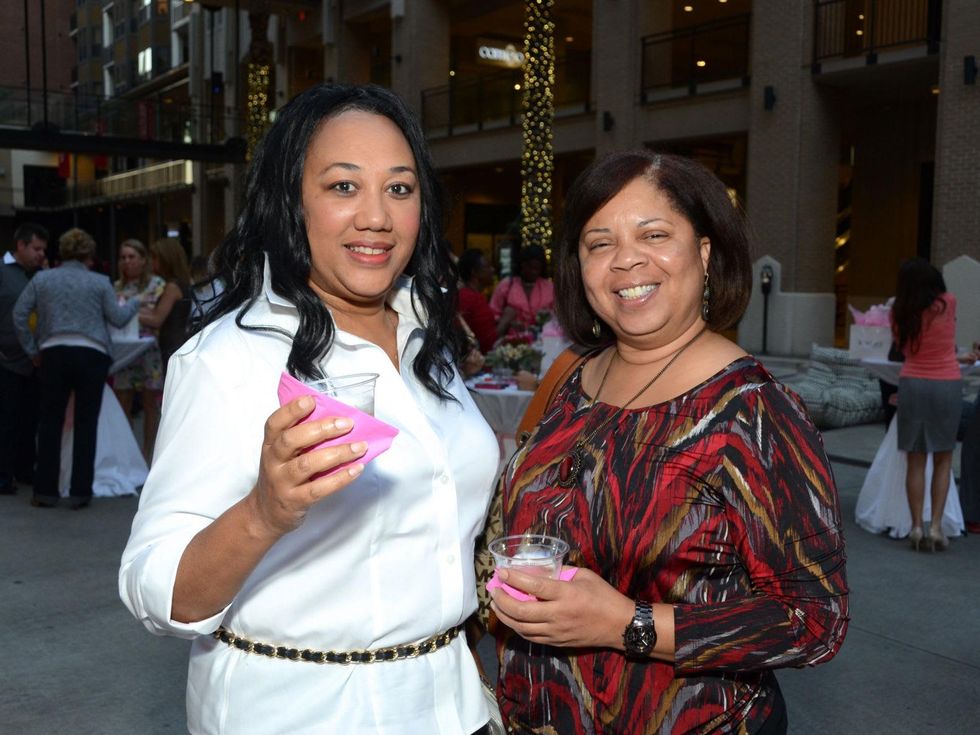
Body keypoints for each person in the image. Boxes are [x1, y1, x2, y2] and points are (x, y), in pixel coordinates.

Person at [118, 83, 499, 734]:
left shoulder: (425, 338)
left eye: (400, 188)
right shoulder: (226, 360)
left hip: (450, 706)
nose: (377, 216)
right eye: (343, 186)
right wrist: (264, 512)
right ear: (291, 200)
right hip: (298, 713)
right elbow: (156, 591)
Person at [487, 151, 849, 733]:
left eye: (653, 234)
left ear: (704, 253)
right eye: (598, 243)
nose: (626, 259)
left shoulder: (755, 411)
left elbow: (814, 621)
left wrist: (627, 625)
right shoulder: (574, 379)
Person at [12, 228, 139, 509]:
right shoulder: (100, 282)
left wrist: (33, 351)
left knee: (49, 423)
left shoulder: (43, 279)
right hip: (91, 354)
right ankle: (80, 491)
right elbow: (117, 319)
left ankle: (45, 490)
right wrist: (135, 303)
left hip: (53, 352)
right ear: (89, 256)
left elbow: (19, 314)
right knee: (85, 423)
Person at [890, 259, 963, 551]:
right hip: (947, 382)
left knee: (915, 460)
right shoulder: (948, 302)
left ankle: (916, 526)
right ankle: (935, 527)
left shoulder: (899, 310)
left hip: (913, 383)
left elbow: (902, 347)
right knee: (943, 459)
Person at [0, 222, 48, 493]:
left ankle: (25, 471)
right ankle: (4, 475)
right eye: (36, 248)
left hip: (37, 361)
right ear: (20, 245)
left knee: (31, 420)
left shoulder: (41, 275)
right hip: (6, 359)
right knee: (7, 420)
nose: (40, 254)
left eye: (43, 249)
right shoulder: (2, 271)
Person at [112, 238, 166, 459]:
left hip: (149, 351)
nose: (127, 262)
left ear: (143, 260)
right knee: (122, 401)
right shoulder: (116, 286)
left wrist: (126, 312)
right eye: (123, 257)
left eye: (132, 257)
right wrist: (138, 309)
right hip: (123, 352)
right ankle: (127, 455)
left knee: (149, 405)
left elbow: (155, 314)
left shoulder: (157, 283)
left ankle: (146, 454)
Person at [139, 237, 192, 379]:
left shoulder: (172, 287)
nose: (152, 262)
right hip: (177, 341)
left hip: (171, 343)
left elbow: (157, 319)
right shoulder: (182, 283)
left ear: (166, 259)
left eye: (155, 258)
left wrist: (131, 313)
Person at [489, 244, 554, 337]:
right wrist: (508, 323)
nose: (533, 272)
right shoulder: (506, 285)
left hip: (544, 340)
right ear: (522, 264)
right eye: (530, 267)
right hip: (512, 343)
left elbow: (558, 319)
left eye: (537, 268)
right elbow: (492, 314)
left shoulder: (549, 287)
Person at [457, 248, 498, 353]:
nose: (492, 270)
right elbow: (487, 341)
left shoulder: (468, 295)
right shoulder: (471, 298)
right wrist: (505, 322)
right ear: (474, 272)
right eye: (487, 266)